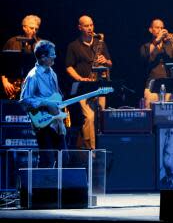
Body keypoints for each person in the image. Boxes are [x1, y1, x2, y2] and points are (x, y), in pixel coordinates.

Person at [65, 15, 112, 150]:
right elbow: (68, 66)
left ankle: (102, 146)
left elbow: (110, 63)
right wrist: (80, 78)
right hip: (84, 87)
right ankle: (90, 151)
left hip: (100, 86)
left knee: (101, 117)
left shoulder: (100, 43)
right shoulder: (73, 46)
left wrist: (106, 61)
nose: (90, 28)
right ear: (80, 27)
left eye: (91, 25)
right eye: (86, 26)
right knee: (90, 118)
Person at [19, 40, 66, 167]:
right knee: (47, 160)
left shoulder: (52, 73)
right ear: (43, 57)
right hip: (43, 123)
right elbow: (24, 101)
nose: (55, 56)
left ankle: (59, 186)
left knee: (63, 159)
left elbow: (56, 98)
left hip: (56, 123)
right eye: (52, 54)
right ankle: (43, 186)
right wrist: (45, 103)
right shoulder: (33, 76)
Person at [140, 18, 173, 106]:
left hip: (170, 88)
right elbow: (145, 56)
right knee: (150, 115)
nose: (160, 30)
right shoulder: (146, 46)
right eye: (157, 27)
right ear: (151, 30)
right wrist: (157, 40)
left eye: (162, 27)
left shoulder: (169, 45)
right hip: (152, 88)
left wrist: (172, 42)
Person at [2, 14, 41, 98]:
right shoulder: (12, 42)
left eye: (36, 29)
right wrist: (5, 82)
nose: (34, 31)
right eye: (31, 28)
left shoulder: (40, 44)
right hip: (12, 85)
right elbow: (2, 64)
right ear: (24, 28)